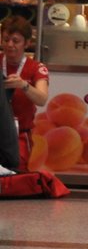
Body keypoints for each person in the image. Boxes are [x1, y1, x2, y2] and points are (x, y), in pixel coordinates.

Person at [2, 15, 49, 172]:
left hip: (19, 134)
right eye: (6, 39)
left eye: (16, 41)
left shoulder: (36, 68)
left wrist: (24, 85)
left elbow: (42, 99)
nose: (10, 45)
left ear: (27, 43)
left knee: (15, 172)